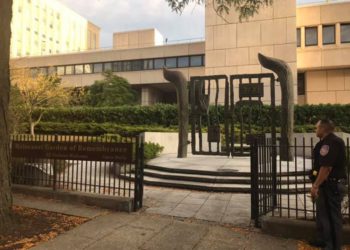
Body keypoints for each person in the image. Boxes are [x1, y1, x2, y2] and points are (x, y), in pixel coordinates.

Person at [309, 119, 347, 250]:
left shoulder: (332, 143)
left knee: (332, 218)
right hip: (328, 185)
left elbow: (326, 167)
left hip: (333, 185)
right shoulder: (325, 143)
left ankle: (334, 246)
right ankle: (325, 242)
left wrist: (315, 185)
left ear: (323, 129)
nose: (315, 129)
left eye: (316, 127)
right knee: (324, 215)